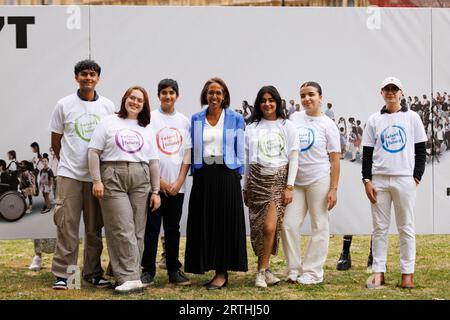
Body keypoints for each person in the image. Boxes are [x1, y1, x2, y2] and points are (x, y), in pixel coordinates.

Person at [48, 59, 115, 290]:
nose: (88, 78)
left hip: (96, 178)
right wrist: (69, 163)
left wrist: (97, 174)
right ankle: (65, 276)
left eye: (92, 74)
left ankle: (92, 273)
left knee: (94, 229)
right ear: (76, 77)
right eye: (84, 74)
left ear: (98, 78)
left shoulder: (107, 106)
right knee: (67, 226)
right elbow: (56, 143)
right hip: (69, 175)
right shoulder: (64, 105)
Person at [88, 86, 160, 294]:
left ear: (144, 105)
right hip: (113, 175)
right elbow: (94, 152)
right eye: (132, 98)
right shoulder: (109, 121)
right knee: (121, 228)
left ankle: (127, 273)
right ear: (125, 99)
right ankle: (129, 277)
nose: (135, 102)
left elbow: (154, 162)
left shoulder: (146, 127)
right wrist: (96, 181)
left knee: (137, 230)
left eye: (140, 100)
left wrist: (155, 191)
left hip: (141, 177)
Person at [362, 77, 427, 289]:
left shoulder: (413, 117)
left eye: (394, 89)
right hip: (379, 179)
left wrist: (416, 176)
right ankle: (378, 273)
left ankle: (407, 274)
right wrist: (367, 180)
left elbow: (420, 149)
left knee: (405, 227)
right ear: (381, 93)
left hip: (404, 178)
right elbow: (367, 152)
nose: (390, 92)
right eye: (386, 89)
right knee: (379, 228)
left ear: (401, 92)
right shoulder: (374, 120)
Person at [185, 77, 248, 290]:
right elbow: (192, 147)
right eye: (211, 92)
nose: (214, 96)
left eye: (218, 93)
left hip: (227, 174)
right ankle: (208, 265)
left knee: (224, 223)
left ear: (225, 96)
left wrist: (239, 173)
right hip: (203, 174)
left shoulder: (236, 118)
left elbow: (240, 148)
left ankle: (222, 272)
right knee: (204, 221)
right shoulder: (196, 118)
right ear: (205, 95)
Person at [282, 81, 341, 285]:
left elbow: (334, 159)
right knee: (288, 225)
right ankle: (294, 269)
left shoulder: (328, 125)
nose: (307, 99)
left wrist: (333, 189)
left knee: (320, 226)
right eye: (303, 95)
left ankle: (313, 272)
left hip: (319, 180)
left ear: (320, 97)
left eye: (311, 95)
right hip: (295, 182)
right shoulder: (294, 118)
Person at [243, 86, 299, 288]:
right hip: (255, 181)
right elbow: (249, 160)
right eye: (263, 100)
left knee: (269, 227)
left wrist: (290, 186)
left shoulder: (287, 126)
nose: (267, 104)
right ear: (259, 103)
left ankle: (260, 272)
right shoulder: (251, 128)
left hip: (278, 179)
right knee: (258, 228)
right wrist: (245, 187)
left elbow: (294, 157)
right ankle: (266, 270)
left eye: (271, 100)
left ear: (277, 102)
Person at [141, 79, 191, 287]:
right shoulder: (150, 118)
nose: (168, 96)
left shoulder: (184, 121)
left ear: (177, 96)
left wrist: (179, 181)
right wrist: (159, 182)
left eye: (171, 93)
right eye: (164, 93)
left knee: (173, 229)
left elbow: (187, 152)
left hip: (177, 187)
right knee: (151, 229)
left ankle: (173, 269)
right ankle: (148, 270)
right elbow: (145, 152)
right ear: (158, 95)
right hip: (155, 187)